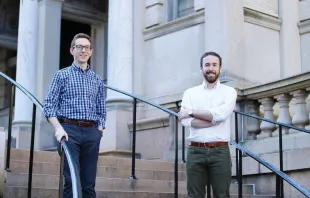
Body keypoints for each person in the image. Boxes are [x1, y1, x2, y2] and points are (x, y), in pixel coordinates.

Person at [43, 33, 106, 198]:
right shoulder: (61, 75)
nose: (83, 50)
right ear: (72, 50)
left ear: (91, 51)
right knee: (71, 181)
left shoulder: (97, 80)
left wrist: (99, 130)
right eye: (79, 47)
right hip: (68, 131)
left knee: (88, 184)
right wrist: (58, 128)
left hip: (92, 132)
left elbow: (101, 108)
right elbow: (49, 105)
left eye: (86, 47)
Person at [178, 51, 237, 198]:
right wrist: (213, 119)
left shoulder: (229, 92)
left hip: (220, 151)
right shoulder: (190, 93)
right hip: (195, 151)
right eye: (207, 65)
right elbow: (185, 121)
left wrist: (191, 112)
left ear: (220, 68)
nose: (211, 68)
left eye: (214, 65)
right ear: (201, 68)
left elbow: (221, 115)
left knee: (222, 195)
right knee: (194, 195)